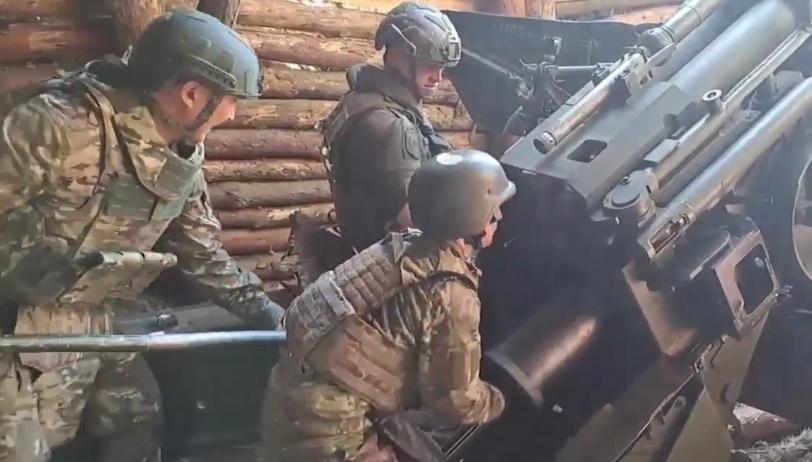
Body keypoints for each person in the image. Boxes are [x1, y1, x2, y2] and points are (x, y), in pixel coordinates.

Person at [0, 10, 285, 462]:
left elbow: (201, 253)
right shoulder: (56, 125)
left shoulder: (182, 153)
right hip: (12, 326)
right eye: (231, 100)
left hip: (99, 320)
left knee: (138, 423)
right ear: (191, 94)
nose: (233, 114)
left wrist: (271, 316)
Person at [260, 149, 513, 462]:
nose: (499, 220)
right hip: (331, 432)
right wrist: (500, 399)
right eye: (495, 212)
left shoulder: (396, 250)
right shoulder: (451, 291)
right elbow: (455, 401)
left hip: (288, 405)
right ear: (478, 219)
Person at [319, 1, 463, 253]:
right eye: (430, 65)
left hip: (371, 254)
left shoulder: (368, 99)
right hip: (395, 264)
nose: (438, 78)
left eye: (442, 68)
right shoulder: (389, 124)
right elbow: (414, 221)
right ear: (402, 57)